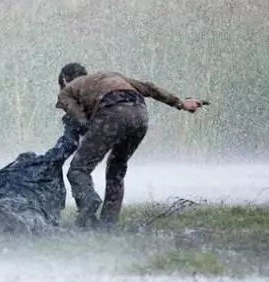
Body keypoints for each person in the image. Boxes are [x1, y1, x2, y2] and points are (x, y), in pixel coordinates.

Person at [55, 62, 204, 229]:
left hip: (112, 113)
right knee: (116, 170)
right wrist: (180, 104)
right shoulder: (109, 75)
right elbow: (150, 88)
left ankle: (88, 209)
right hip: (140, 115)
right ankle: (109, 224)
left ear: (64, 80)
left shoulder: (67, 91)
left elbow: (80, 120)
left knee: (78, 169)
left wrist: (88, 134)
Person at [0, 114, 86, 234]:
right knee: (33, 222)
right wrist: (71, 119)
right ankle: (5, 221)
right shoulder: (43, 165)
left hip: (4, 204)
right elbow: (68, 144)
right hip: (31, 208)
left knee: (1, 216)